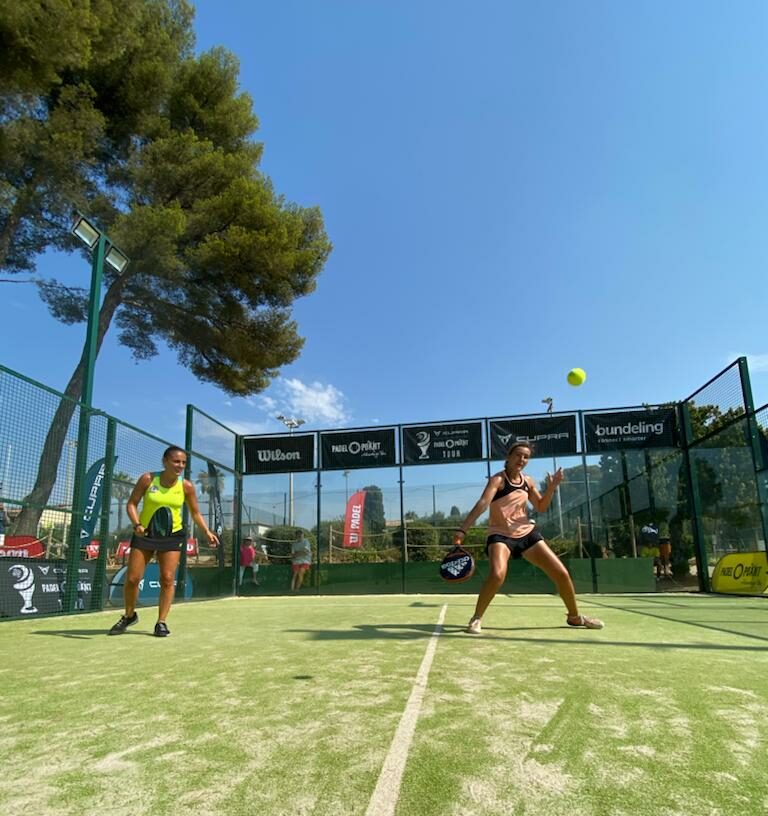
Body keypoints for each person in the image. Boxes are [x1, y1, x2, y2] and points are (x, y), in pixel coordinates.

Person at [455, 442, 604, 634]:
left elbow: (541, 507)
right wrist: (463, 529)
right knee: (497, 574)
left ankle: (574, 617)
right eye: (518, 455)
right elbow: (483, 503)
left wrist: (552, 487)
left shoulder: (528, 481)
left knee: (561, 573)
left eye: (526, 457)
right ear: (508, 457)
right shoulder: (498, 480)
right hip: (500, 535)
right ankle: (476, 618)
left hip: (526, 533)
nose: (522, 460)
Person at [108, 446, 219, 637]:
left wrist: (207, 531)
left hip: (172, 535)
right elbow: (131, 504)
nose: (180, 465)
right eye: (176, 461)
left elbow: (195, 512)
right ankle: (129, 615)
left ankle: (161, 622)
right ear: (165, 462)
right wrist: (136, 525)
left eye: (183, 462)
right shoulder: (148, 479)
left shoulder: (186, 486)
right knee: (133, 579)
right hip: (145, 534)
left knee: (167, 578)